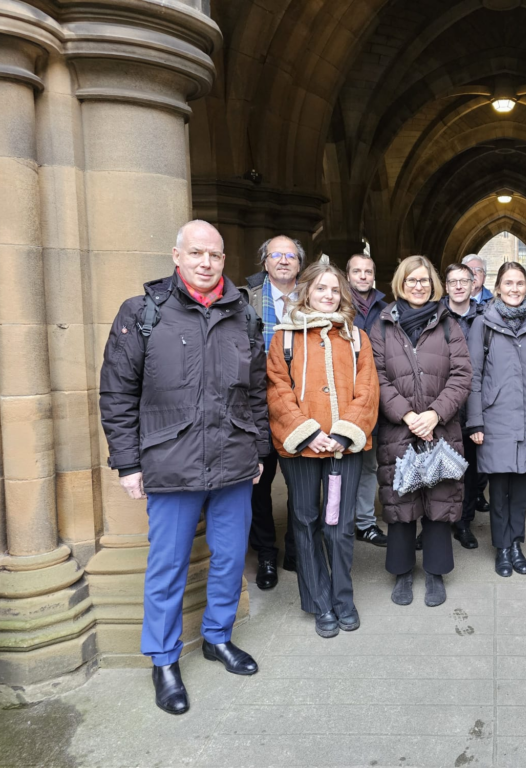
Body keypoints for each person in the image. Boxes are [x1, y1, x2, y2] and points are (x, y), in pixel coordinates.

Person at [100, 220, 269, 715]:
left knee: (230, 556)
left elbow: (257, 392)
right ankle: (164, 660)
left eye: (214, 255)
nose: (205, 263)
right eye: (196, 253)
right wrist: (128, 463)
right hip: (170, 463)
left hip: (234, 462)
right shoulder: (142, 313)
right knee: (168, 566)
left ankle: (217, 637)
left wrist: (258, 449)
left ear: (223, 260)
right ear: (177, 256)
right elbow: (117, 392)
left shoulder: (245, 317)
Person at [266, 260, 379, 639]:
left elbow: (367, 390)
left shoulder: (357, 338)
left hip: (343, 449)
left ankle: (343, 598)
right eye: (321, 289)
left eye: (335, 290)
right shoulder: (283, 337)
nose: (328, 296)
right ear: (306, 292)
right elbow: (277, 391)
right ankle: (320, 602)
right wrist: (308, 431)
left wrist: (345, 434)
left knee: (340, 526)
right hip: (300, 448)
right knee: (306, 521)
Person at [370, 255, 473, 607]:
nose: (418, 286)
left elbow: (462, 375)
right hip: (399, 429)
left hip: (440, 428)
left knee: (439, 500)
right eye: (412, 280)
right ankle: (401, 572)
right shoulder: (382, 326)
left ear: (433, 286)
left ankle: (435, 571)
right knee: (401, 502)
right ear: (401, 283)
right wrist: (406, 415)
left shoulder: (448, 325)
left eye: (424, 281)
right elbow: (376, 377)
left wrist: (434, 414)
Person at [467, 262, 526, 578]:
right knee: (499, 490)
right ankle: (502, 547)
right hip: (495, 420)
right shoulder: (483, 324)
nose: (514, 288)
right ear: (497, 288)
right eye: (508, 283)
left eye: (520, 283)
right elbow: (474, 377)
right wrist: (475, 422)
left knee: (521, 490)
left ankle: (516, 544)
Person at [241, 236, 302, 589]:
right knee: (257, 486)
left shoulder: (313, 298)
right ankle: (266, 552)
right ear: (265, 262)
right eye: (276, 255)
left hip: (299, 409)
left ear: (299, 263)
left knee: (302, 485)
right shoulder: (243, 301)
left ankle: (296, 548)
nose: (283, 261)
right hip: (256, 407)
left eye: (290, 256)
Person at [441, 262, 488, 549]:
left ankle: (463, 522)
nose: (459, 286)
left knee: (472, 469)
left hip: (475, 404)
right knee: (439, 466)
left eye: (464, 281)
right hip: (441, 402)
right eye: (453, 281)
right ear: (445, 286)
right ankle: (435, 523)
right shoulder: (434, 315)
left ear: (474, 285)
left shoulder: (487, 315)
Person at [345, 252, 390, 548]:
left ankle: (365, 522)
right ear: (347, 275)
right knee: (339, 465)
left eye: (368, 271)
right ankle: (339, 522)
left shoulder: (386, 310)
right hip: (340, 398)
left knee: (370, 464)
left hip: (376, 397)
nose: (363, 276)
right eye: (357, 271)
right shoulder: (335, 303)